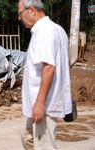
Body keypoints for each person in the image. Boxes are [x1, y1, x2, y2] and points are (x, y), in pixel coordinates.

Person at [17, 0, 73, 149]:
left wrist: (40, 103)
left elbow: (49, 68)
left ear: (32, 11)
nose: (19, 18)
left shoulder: (45, 32)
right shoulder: (56, 29)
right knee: (27, 136)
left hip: (44, 105)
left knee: (44, 146)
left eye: (20, 13)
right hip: (39, 103)